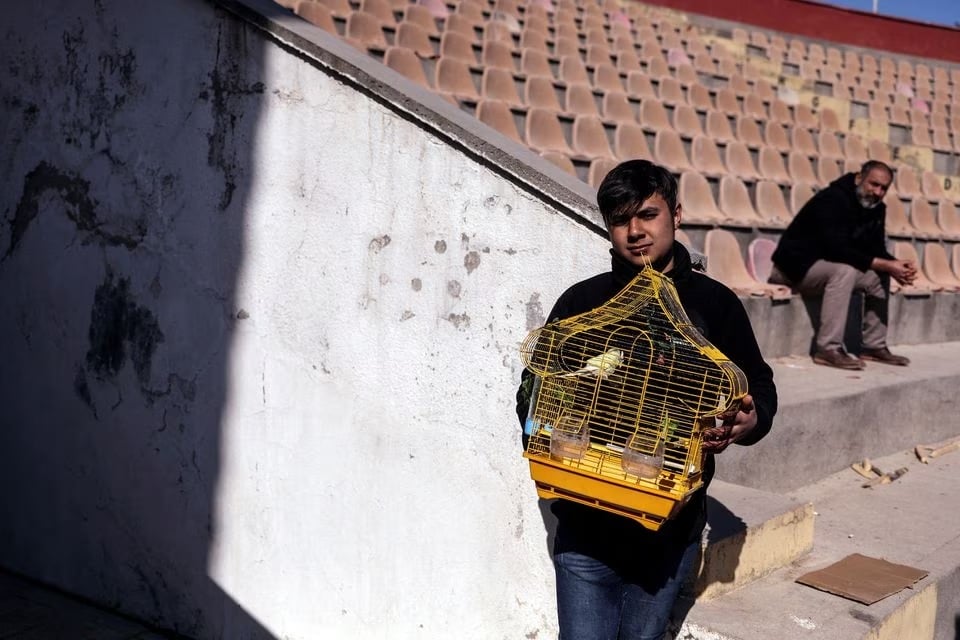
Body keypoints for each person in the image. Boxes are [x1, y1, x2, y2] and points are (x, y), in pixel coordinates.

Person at [515, 160, 778, 640]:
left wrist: (749, 418)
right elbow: (530, 394)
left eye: (648, 215)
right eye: (620, 219)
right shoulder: (582, 302)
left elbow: (758, 383)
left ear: (676, 215)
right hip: (586, 527)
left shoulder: (716, 305)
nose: (634, 231)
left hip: (669, 533)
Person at [768, 160, 915, 370]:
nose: (878, 192)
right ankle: (827, 349)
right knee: (844, 270)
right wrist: (886, 264)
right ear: (859, 178)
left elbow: (875, 248)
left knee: (879, 275)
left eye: (884, 188)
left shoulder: (877, 208)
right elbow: (836, 249)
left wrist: (895, 264)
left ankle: (874, 346)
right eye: (874, 184)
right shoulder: (831, 199)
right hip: (793, 269)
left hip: (826, 269)